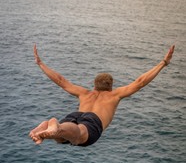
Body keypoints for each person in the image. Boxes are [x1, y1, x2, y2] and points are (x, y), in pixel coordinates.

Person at [29, 44, 175, 146]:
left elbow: (61, 81)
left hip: (76, 115)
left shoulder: (84, 94)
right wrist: (163, 63)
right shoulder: (114, 95)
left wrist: (40, 63)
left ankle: (51, 126)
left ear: (94, 85)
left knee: (62, 138)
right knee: (79, 135)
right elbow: (140, 82)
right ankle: (55, 126)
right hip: (92, 121)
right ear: (111, 86)